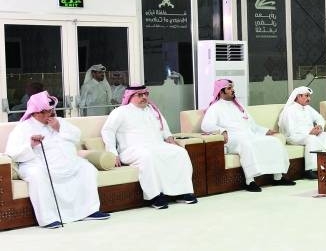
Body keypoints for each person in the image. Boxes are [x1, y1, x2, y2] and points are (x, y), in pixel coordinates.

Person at [4, 91, 110, 228]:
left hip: (67, 162)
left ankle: (90, 211)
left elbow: (77, 135)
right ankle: (48, 219)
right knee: (37, 175)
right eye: (47, 111)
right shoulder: (23, 128)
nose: (52, 114)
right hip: (37, 164)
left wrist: (58, 128)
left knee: (87, 168)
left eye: (52, 110)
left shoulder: (58, 121)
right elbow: (11, 153)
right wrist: (30, 145)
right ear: (36, 113)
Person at [101, 85, 196, 209]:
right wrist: (112, 152)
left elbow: (164, 127)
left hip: (157, 145)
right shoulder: (120, 112)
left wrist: (170, 139)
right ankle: (154, 196)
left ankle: (182, 192)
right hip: (132, 149)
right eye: (140, 95)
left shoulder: (153, 109)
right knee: (148, 156)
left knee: (180, 152)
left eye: (146, 94)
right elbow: (107, 131)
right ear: (130, 96)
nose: (144, 97)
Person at [201, 79, 296, 191]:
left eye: (232, 88)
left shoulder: (239, 106)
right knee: (246, 144)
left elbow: (252, 125)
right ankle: (250, 181)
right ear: (221, 92)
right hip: (232, 138)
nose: (233, 90)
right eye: (229, 88)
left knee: (274, 141)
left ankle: (278, 178)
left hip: (249, 134)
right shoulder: (215, 108)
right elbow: (206, 125)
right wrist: (222, 131)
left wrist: (266, 131)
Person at [278, 86, 326, 179]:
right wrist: (309, 132)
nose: (309, 99)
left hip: (310, 134)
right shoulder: (289, 110)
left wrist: (319, 126)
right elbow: (290, 130)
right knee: (311, 139)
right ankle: (310, 170)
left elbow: (319, 118)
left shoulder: (307, 108)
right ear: (298, 96)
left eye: (309, 96)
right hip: (294, 137)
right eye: (307, 96)